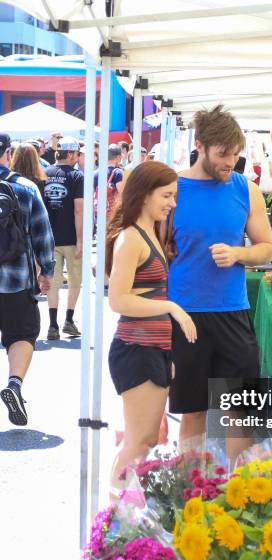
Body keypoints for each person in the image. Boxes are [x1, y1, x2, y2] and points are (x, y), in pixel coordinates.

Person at [167, 105, 272, 447]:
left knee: (239, 412)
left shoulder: (246, 189)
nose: (231, 162)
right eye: (223, 154)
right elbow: (155, 248)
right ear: (199, 145)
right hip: (184, 316)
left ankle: (239, 494)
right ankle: (188, 495)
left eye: (236, 154)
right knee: (193, 412)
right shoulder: (172, 189)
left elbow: (267, 248)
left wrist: (239, 254)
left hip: (232, 313)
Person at [105, 161, 197, 487]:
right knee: (139, 442)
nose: (172, 203)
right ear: (144, 195)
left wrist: (167, 352)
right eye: (167, 195)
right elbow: (118, 300)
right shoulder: (132, 238)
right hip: (136, 348)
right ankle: (113, 518)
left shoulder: (150, 234)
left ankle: (121, 515)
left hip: (152, 348)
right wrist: (173, 308)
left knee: (145, 441)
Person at [0, 132, 55, 426]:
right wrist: (47, 271)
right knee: (21, 335)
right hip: (16, 280)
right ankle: (14, 385)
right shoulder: (24, 187)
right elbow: (43, 233)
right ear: (8, 152)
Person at [43, 136, 84, 340]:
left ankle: (52, 325)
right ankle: (68, 320)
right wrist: (81, 240)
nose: (78, 157)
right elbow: (79, 211)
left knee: (53, 282)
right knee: (75, 280)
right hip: (70, 237)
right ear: (69, 154)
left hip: (49, 238)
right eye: (77, 153)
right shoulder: (77, 176)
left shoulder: (45, 173)